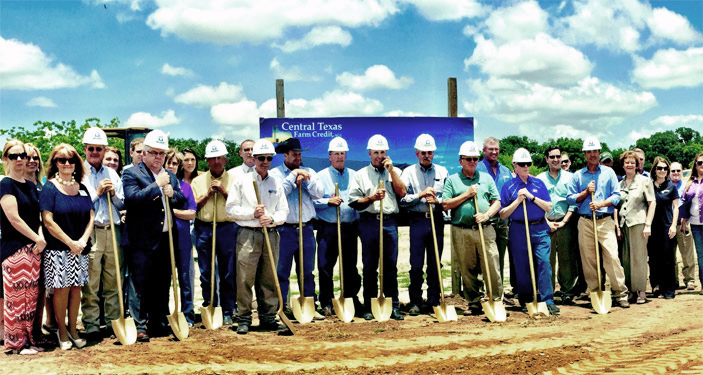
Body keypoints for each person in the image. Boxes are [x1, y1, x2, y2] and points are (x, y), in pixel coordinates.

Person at [123, 129, 186, 342]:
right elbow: (132, 200)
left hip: (166, 238)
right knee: (139, 282)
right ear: (145, 153)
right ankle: (140, 325)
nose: (158, 157)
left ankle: (157, 320)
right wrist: (157, 186)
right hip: (142, 240)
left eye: (162, 154)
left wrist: (172, 193)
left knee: (162, 281)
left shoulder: (171, 176)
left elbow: (180, 200)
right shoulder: (132, 173)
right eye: (154, 153)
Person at [226, 139, 288, 334]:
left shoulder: (276, 182)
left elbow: (283, 211)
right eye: (261, 158)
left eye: (269, 158)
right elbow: (231, 210)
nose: (265, 161)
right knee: (245, 278)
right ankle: (244, 317)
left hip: (270, 233)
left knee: (269, 277)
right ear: (253, 158)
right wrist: (252, 213)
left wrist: (271, 219)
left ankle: (268, 317)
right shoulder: (242, 181)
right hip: (248, 234)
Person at [40, 144, 94, 350]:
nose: (67, 163)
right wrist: (69, 242)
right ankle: (61, 331)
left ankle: (73, 329)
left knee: (76, 289)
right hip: (58, 249)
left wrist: (81, 241)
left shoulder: (82, 187)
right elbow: (48, 220)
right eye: (61, 160)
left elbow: (91, 216)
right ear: (54, 163)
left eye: (71, 159)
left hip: (80, 248)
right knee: (62, 289)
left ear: (76, 163)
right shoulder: (49, 187)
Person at [349, 134, 407, 321]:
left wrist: (392, 172)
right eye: (376, 152)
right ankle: (369, 305)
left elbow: (403, 192)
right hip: (369, 222)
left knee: (390, 266)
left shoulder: (395, 171)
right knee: (370, 267)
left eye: (382, 152)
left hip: (389, 222)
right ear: (369, 153)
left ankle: (394, 305)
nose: (379, 156)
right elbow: (354, 202)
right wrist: (371, 198)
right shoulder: (360, 175)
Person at [567, 136, 629, 308]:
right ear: (584, 155)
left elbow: (617, 196)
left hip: (605, 220)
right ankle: (595, 291)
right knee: (589, 260)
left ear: (599, 153)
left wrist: (602, 203)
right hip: (585, 221)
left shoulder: (608, 173)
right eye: (589, 152)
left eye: (595, 151)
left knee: (611, 257)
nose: (592, 154)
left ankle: (620, 293)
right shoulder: (577, 176)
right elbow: (571, 199)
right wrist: (586, 192)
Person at [442, 141, 502, 316]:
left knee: (492, 265)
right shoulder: (452, 180)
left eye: (475, 159)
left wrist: (487, 215)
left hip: (485, 228)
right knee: (468, 269)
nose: (472, 162)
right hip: (462, 230)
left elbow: (496, 201)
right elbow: (445, 204)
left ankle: (495, 299)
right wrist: (467, 194)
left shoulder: (486, 178)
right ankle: (474, 302)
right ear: (461, 160)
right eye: (468, 159)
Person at [499, 148, 559, 315]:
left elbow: (548, 206)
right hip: (518, 228)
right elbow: (503, 213)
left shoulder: (538, 183)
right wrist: (518, 200)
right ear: (514, 165)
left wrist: (531, 197)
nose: (526, 167)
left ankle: (548, 300)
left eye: (528, 164)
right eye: (522, 164)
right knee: (522, 265)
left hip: (539, 227)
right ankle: (526, 299)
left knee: (544, 262)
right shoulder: (508, 186)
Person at [269, 138, 324, 316]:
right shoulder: (276, 174)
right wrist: (293, 177)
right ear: (285, 155)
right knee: (282, 271)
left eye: (299, 155)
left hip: (306, 229)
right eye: (294, 155)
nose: (298, 158)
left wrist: (306, 180)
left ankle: (309, 305)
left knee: (307, 271)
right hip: (284, 230)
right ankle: (282, 307)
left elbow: (319, 194)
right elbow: (278, 194)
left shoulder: (310, 171)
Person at [80, 127, 125, 341]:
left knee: (113, 280)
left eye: (99, 148)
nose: (95, 152)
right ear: (85, 149)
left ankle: (113, 322)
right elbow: (78, 205)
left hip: (112, 231)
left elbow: (123, 203)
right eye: (91, 148)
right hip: (93, 232)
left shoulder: (112, 173)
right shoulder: (80, 173)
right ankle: (91, 324)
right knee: (91, 282)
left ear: (104, 149)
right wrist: (96, 193)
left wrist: (114, 195)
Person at [1, 139, 46, 355]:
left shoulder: (30, 186)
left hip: (33, 249)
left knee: (30, 299)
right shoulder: (5, 185)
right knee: (16, 300)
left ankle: (27, 341)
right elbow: (14, 219)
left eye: (23, 156)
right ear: (5, 159)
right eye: (14, 156)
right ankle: (15, 344)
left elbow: (36, 217)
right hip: (14, 249)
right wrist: (36, 239)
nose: (20, 160)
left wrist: (39, 238)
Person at [400, 134, 448, 315]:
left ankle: (435, 299)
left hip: (436, 220)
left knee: (435, 262)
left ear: (433, 153)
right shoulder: (408, 173)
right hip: (418, 220)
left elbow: (448, 199)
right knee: (417, 263)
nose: (426, 155)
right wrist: (420, 195)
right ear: (417, 153)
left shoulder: (442, 172)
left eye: (429, 152)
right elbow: (403, 200)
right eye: (423, 152)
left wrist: (437, 200)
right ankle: (415, 301)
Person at [313, 137, 362, 317]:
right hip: (329, 228)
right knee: (326, 266)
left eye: (342, 154)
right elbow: (312, 201)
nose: (340, 157)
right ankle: (326, 301)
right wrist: (328, 201)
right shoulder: (321, 176)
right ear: (330, 156)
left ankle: (350, 298)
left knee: (350, 266)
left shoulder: (355, 175)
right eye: (336, 154)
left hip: (349, 227)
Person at [191, 140, 237, 325]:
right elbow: (193, 206)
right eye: (212, 158)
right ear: (207, 161)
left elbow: (237, 204)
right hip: (204, 227)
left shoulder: (234, 180)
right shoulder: (198, 181)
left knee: (227, 271)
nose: (216, 161)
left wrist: (224, 192)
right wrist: (208, 194)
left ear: (225, 160)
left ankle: (228, 310)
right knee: (206, 271)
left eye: (219, 158)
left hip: (226, 228)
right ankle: (210, 306)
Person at [536, 145, 584, 305]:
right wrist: (547, 222)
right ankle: (546, 293)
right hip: (545, 223)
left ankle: (567, 292)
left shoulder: (571, 178)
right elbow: (536, 203)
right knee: (546, 260)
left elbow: (573, 202)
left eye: (558, 156)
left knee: (567, 259)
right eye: (552, 157)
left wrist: (564, 220)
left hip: (566, 222)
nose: (556, 160)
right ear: (546, 159)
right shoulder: (539, 179)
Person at [614, 150, 655, 304]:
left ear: (637, 165)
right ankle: (631, 291)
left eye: (633, 162)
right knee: (625, 259)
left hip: (639, 224)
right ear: (623, 165)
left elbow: (652, 203)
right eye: (627, 162)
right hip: (624, 225)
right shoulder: (619, 184)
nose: (629, 164)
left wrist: (648, 224)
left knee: (639, 258)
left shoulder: (644, 181)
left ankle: (641, 292)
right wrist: (617, 227)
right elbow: (616, 207)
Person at [476, 137, 513, 299]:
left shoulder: (505, 171)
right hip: (485, 220)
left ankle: (499, 292)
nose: (494, 151)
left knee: (499, 257)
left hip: (503, 219)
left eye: (496, 149)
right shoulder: (477, 169)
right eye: (490, 149)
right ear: (484, 151)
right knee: (483, 258)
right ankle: (483, 292)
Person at [164, 149, 196, 326]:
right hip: (162, 240)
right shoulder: (157, 185)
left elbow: (191, 213)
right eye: (168, 162)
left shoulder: (185, 187)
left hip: (182, 238)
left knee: (185, 278)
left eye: (175, 163)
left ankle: (187, 315)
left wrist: (172, 212)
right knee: (164, 279)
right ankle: (164, 315)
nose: (171, 166)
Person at [648, 157, 679, 299]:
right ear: (654, 169)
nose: (662, 171)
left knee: (668, 259)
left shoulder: (671, 186)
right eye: (659, 168)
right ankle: (657, 287)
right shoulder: (649, 186)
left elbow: (675, 207)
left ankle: (669, 289)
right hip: (652, 228)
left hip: (667, 226)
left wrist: (673, 225)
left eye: (665, 168)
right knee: (654, 259)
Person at [678, 152, 703, 295]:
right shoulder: (690, 183)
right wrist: (683, 220)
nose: (702, 165)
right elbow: (684, 203)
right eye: (699, 163)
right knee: (700, 255)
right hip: (695, 223)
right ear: (696, 165)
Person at [670, 162, 697, 291]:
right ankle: (673, 280)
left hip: (683, 224)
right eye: (673, 171)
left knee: (687, 254)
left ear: (682, 172)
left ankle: (690, 280)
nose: (675, 173)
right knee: (670, 255)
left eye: (678, 171)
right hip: (669, 225)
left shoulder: (687, 186)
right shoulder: (667, 186)